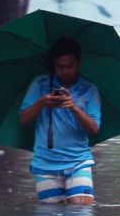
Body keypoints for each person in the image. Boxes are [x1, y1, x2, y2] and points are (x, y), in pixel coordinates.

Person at [19, 37, 102, 204]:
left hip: (78, 161)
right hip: (45, 163)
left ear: (78, 63)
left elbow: (94, 129)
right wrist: (41, 102)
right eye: (60, 67)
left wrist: (74, 108)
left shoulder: (89, 89)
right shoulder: (40, 84)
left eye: (69, 66)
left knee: (81, 211)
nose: (64, 71)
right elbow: (23, 120)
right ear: (53, 65)